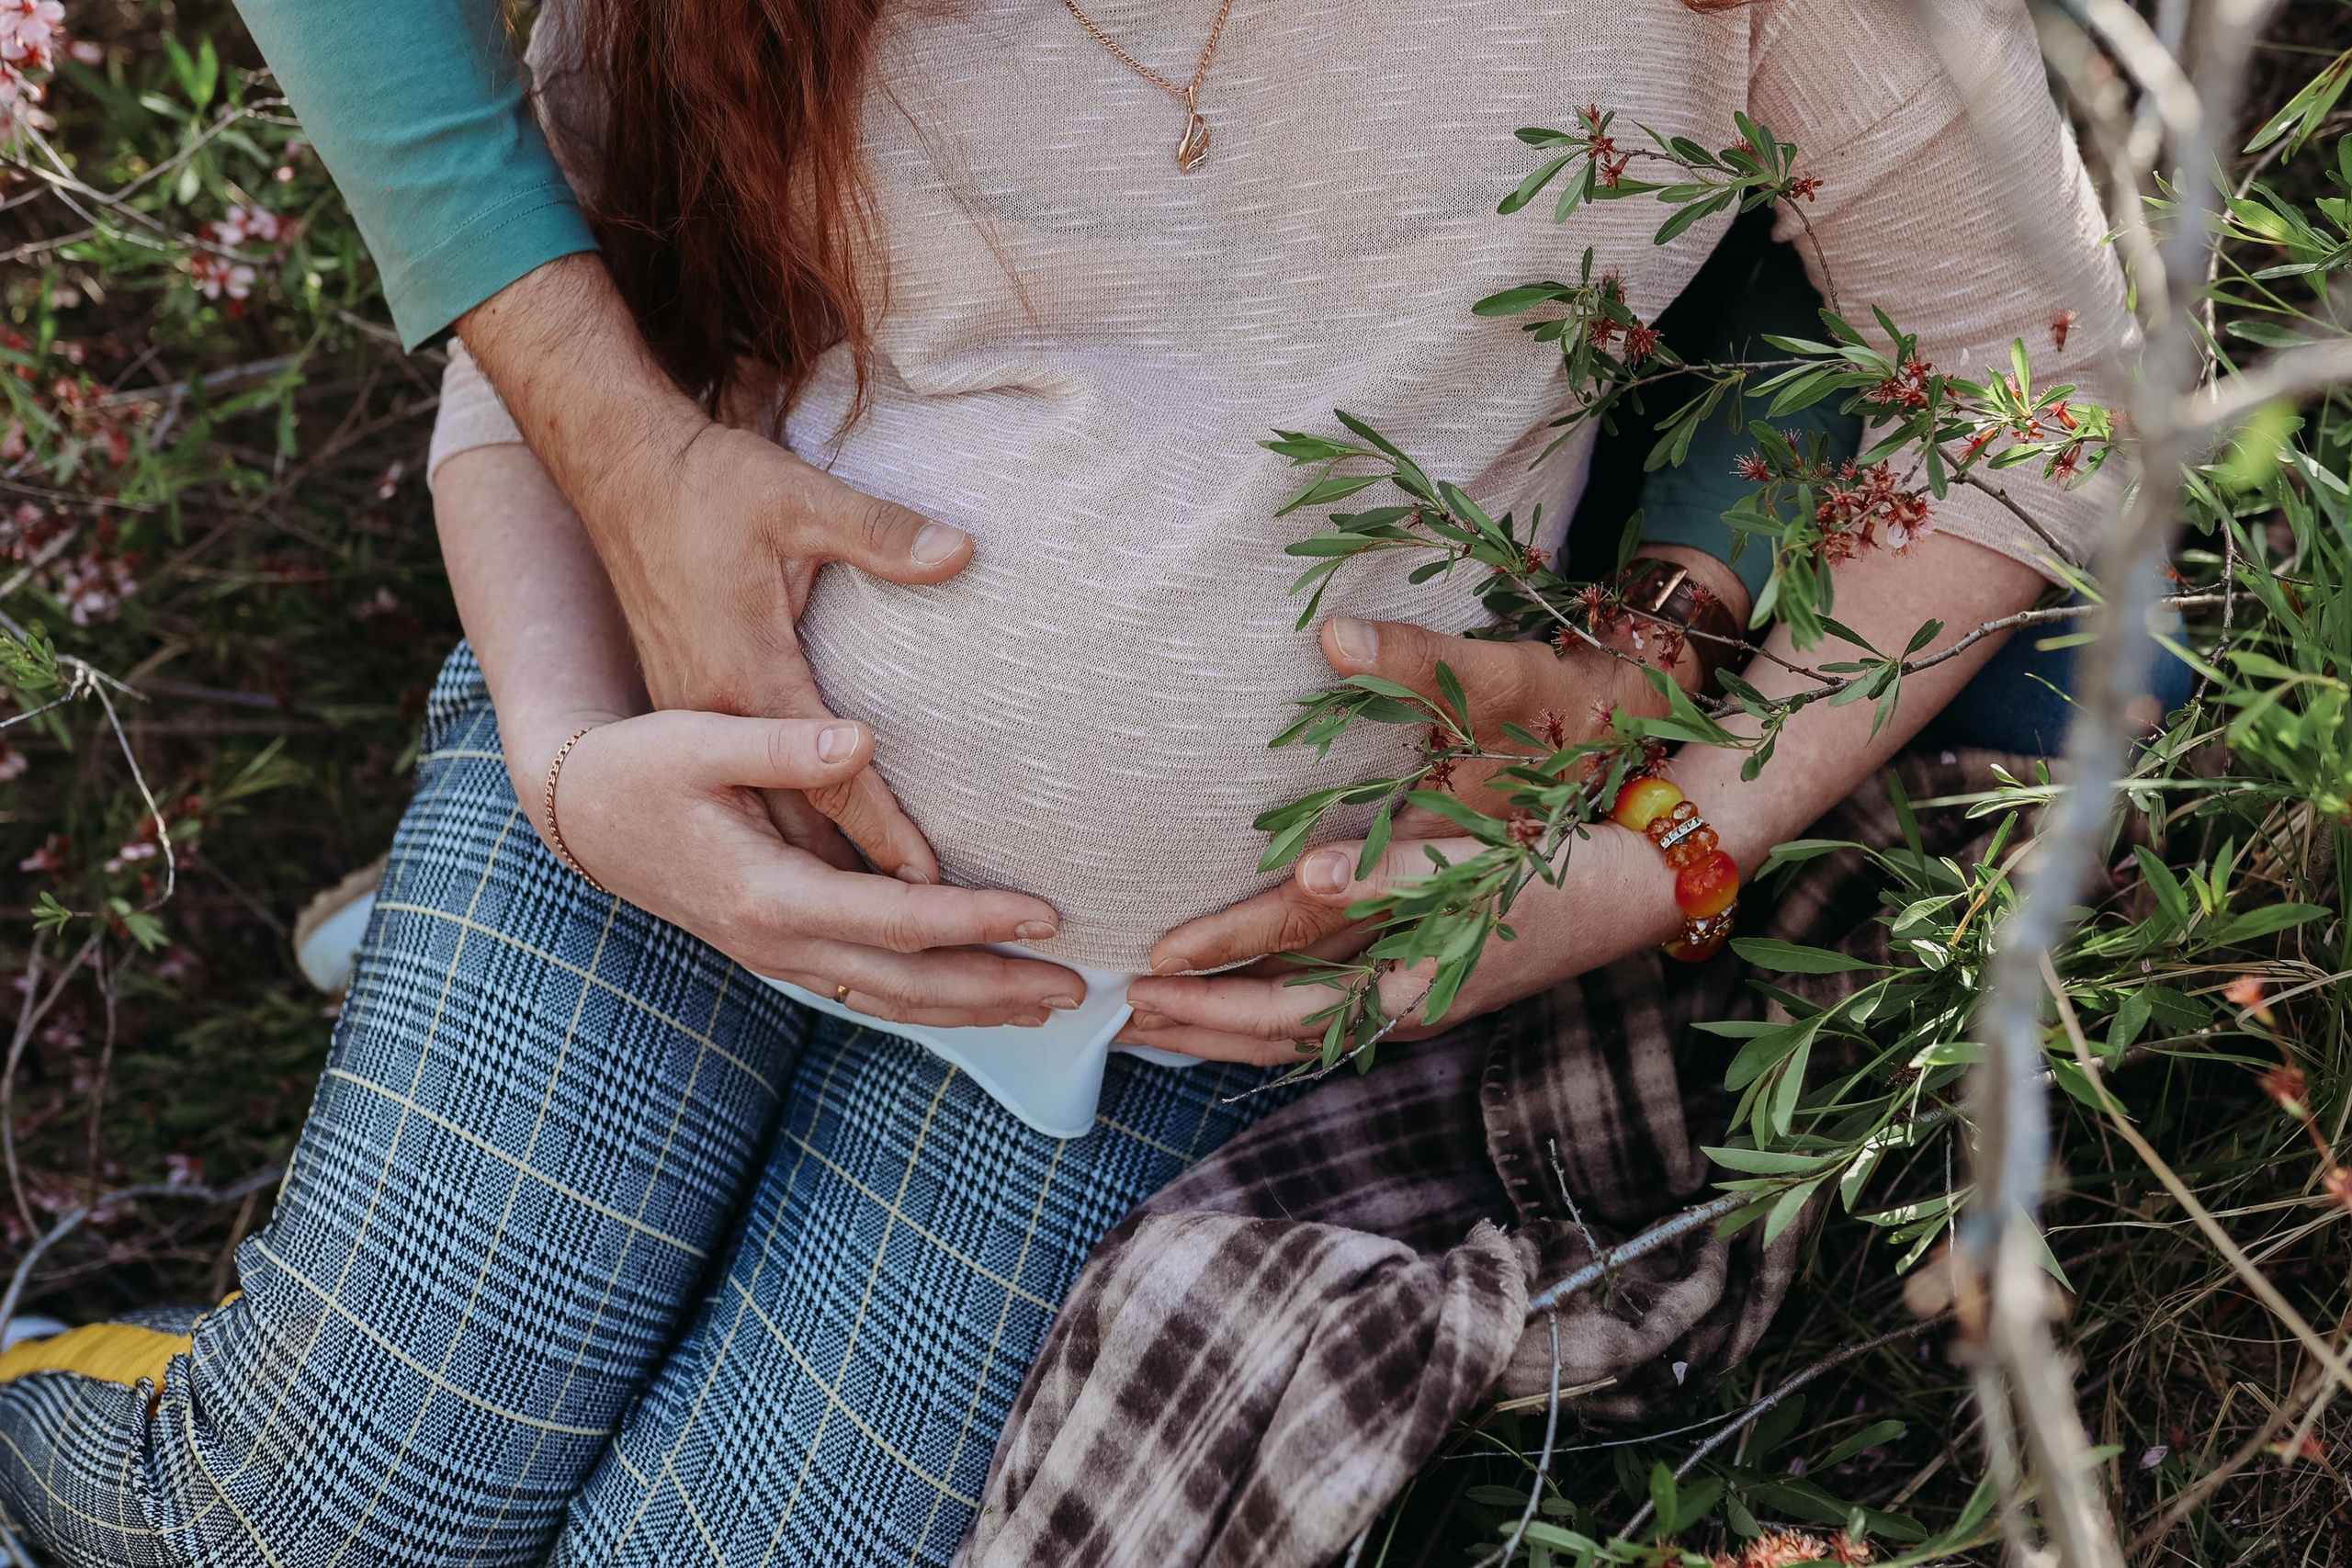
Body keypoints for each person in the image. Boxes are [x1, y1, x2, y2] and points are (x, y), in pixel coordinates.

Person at [0, 2, 2143, 1564]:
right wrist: (567, 767)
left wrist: (1660, 845)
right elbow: (551, 332)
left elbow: (2032, 398)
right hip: (643, 814)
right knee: (291, 1526)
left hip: (1131, 1018)